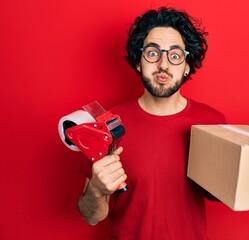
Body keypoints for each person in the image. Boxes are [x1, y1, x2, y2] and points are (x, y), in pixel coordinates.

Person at [77, 6, 226, 240]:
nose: (163, 65)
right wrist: (97, 189)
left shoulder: (213, 123)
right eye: (153, 53)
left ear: (186, 67)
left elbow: (221, 192)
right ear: (138, 62)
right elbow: (91, 216)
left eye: (175, 56)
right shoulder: (106, 125)